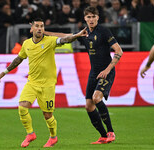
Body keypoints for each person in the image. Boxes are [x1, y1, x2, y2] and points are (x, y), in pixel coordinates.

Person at [0, 18, 88, 148]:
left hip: (47, 85)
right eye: (37, 26)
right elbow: (18, 59)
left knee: (47, 115)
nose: (40, 28)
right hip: (32, 83)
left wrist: (77, 36)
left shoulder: (50, 41)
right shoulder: (26, 44)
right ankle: (30, 134)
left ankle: (53, 137)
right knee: (22, 107)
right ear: (31, 28)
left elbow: (65, 39)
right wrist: (4, 72)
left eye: (42, 26)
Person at [45, 6, 123, 144]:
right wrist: (44, 32)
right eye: (88, 17)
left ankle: (111, 132)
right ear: (85, 18)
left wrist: (107, 70)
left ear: (98, 17)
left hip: (106, 71)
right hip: (94, 73)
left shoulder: (104, 31)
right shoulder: (84, 33)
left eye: (93, 17)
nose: (91, 19)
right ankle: (103, 136)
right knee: (89, 106)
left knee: (97, 98)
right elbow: (65, 36)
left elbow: (119, 51)